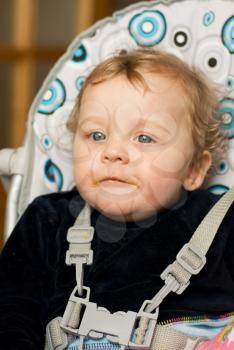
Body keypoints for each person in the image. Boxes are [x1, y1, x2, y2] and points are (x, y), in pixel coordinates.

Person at [0, 49, 233, 350]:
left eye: (144, 138)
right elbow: (11, 315)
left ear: (193, 169)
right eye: (96, 135)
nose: (113, 152)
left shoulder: (222, 224)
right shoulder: (47, 221)